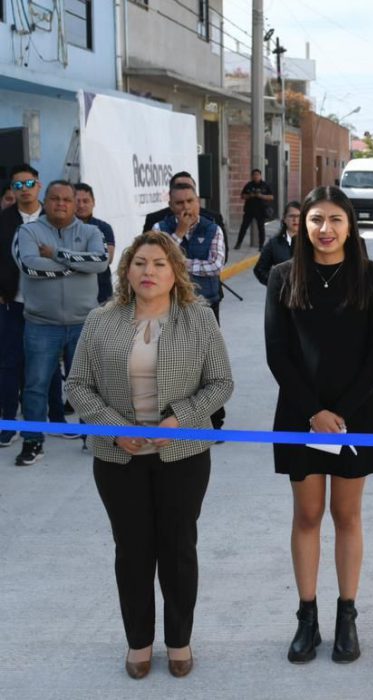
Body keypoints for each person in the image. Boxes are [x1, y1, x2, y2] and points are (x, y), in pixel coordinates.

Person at [65, 231, 233, 680]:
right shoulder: (102, 319)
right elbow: (77, 384)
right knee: (133, 550)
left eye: (159, 263)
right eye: (140, 263)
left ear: (175, 270)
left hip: (183, 454)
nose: (148, 272)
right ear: (127, 270)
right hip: (118, 457)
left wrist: (182, 417)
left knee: (178, 548)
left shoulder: (198, 319)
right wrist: (112, 427)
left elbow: (221, 384)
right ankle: (138, 642)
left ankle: (179, 639)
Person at [264, 186, 373, 666]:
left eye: (336, 219)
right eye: (316, 219)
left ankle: (346, 615)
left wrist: (340, 412)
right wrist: (313, 413)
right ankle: (307, 616)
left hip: (354, 416)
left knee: (347, 516)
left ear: (350, 225)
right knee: (307, 516)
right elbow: (278, 352)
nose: (325, 229)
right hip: (300, 416)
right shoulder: (282, 277)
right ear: (302, 224)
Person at [13, 181, 109, 466]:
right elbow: (29, 265)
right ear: (46, 200)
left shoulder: (92, 231)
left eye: (67, 199)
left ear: (75, 202)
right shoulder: (28, 231)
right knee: (35, 385)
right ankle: (33, 442)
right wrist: (76, 267)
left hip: (84, 322)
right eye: (55, 198)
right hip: (41, 324)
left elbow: (101, 261)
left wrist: (55, 254)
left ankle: (91, 436)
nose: (61, 204)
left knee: (88, 384)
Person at [0, 164, 42, 449]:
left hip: (46, 307)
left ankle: (43, 421)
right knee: (9, 364)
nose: (24, 190)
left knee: (41, 367)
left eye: (28, 184)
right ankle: (9, 422)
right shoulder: (3, 219)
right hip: (12, 304)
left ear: (38, 185)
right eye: (18, 186)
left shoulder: (53, 219)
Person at [153, 183, 226, 319]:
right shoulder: (159, 228)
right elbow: (156, 261)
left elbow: (216, 266)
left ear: (198, 202)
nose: (186, 207)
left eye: (190, 201)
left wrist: (179, 263)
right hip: (170, 304)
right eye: (179, 203)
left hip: (206, 303)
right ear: (171, 206)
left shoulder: (213, 229)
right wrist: (179, 233)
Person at [75, 182, 117, 304]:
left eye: (85, 201)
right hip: (73, 295)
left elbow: (107, 258)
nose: (81, 205)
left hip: (101, 293)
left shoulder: (104, 228)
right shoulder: (63, 228)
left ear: (93, 202)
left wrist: (71, 256)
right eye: (77, 201)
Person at [142, 172, 224, 233]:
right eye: (179, 187)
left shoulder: (213, 219)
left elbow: (221, 255)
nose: (186, 206)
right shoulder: (155, 221)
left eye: (189, 200)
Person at [254, 201, 301, 286]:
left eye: (299, 216)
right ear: (284, 219)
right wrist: (275, 284)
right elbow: (259, 270)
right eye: (291, 216)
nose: (296, 220)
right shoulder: (274, 243)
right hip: (282, 296)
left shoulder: (311, 242)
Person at [235, 168, 274, 249]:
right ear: (252, 176)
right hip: (249, 210)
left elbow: (271, 197)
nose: (256, 177)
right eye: (254, 175)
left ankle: (261, 246)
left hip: (261, 210)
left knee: (261, 229)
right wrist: (250, 195)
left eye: (257, 175)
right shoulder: (249, 185)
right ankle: (238, 244)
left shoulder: (265, 185)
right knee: (244, 227)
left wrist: (261, 196)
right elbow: (242, 196)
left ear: (260, 176)